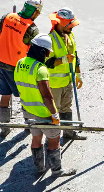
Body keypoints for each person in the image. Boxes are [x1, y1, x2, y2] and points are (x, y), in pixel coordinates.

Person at [15, 34, 76, 177]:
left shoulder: (20, 63)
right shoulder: (40, 69)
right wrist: (55, 115)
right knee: (54, 140)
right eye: (47, 52)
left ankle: (39, 168)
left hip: (28, 110)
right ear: (42, 51)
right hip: (43, 113)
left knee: (36, 139)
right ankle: (56, 170)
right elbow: (47, 96)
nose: (48, 55)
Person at [0, 0, 42, 124]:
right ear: (35, 12)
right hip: (18, 66)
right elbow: (33, 51)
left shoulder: (7, 17)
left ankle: (4, 127)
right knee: (25, 94)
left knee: (5, 95)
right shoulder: (32, 29)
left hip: (0, 62)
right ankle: (28, 123)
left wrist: (8, 41)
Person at [46, 8, 83, 140]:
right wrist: (63, 60)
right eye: (70, 24)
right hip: (55, 84)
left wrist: (78, 75)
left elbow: (76, 56)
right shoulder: (50, 39)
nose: (72, 27)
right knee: (53, 110)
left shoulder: (70, 36)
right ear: (61, 23)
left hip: (68, 81)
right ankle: (52, 138)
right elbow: (47, 63)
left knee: (66, 108)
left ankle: (68, 133)